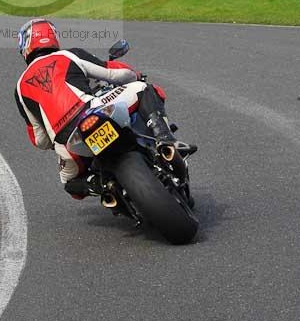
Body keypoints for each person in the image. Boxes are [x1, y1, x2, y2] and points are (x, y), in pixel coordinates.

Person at [15, 18, 193, 199]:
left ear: (25, 46)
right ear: (53, 37)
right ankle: (165, 139)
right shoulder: (68, 55)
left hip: (68, 141)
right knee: (143, 89)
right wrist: (136, 76)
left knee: (69, 183)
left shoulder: (20, 88)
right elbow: (114, 73)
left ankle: (103, 187)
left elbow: (40, 139)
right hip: (92, 110)